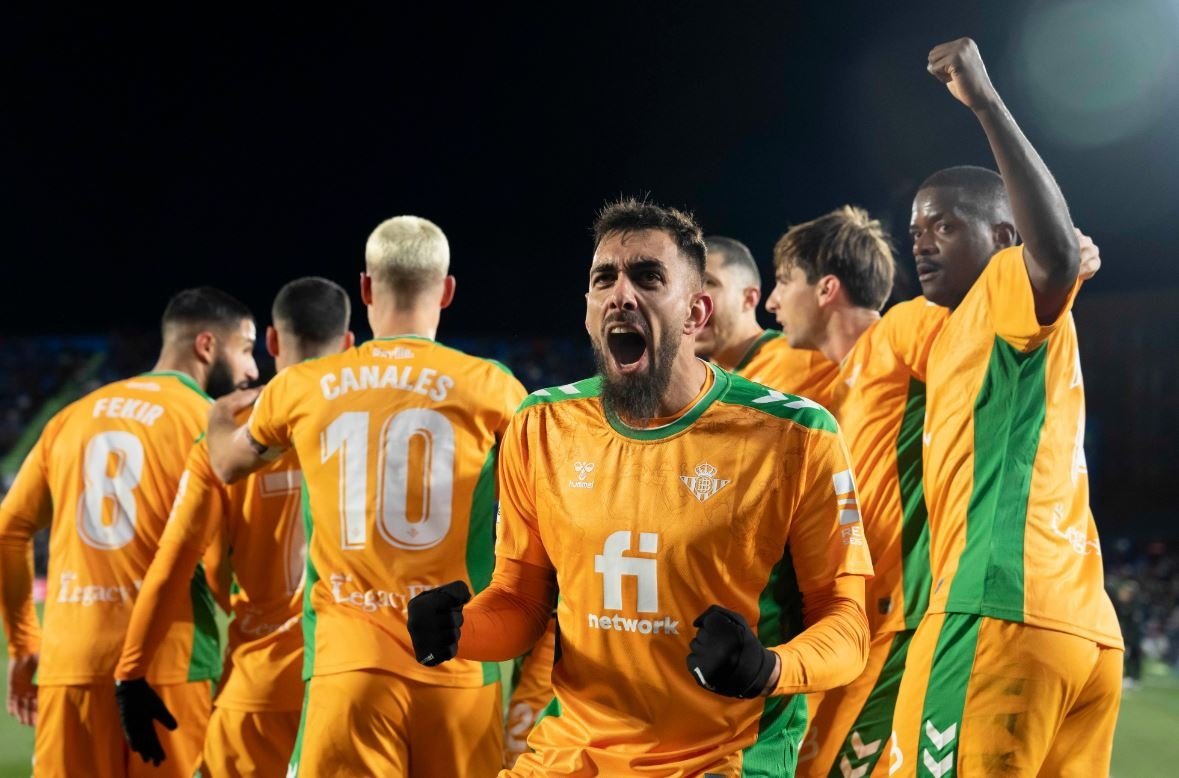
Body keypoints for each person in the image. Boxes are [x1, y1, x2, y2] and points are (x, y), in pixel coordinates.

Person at [407, 197, 873, 776]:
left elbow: (848, 625)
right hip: (572, 755)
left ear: (696, 312)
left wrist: (767, 668)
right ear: (587, 309)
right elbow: (521, 602)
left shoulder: (796, 434)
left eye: (648, 277)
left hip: (724, 760)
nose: (621, 294)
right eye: (604, 278)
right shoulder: (541, 424)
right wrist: (459, 631)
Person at [206, 216, 526, 777]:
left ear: (367, 288)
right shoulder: (494, 387)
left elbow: (227, 465)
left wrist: (215, 417)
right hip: (458, 669)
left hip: (348, 670)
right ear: (447, 290)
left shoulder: (301, 387)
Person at [889, 38, 1123, 777]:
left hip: (993, 609)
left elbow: (1050, 258)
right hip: (1080, 630)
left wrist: (984, 103)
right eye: (915, 230)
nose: (921, 244)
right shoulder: (950, 328)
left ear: (1000, 238)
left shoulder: (1005, 289)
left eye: (944, 226)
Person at [0, 287, 257, 777]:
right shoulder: (214, 425)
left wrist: (22, 645)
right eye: (245, 349)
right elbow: (226, 566)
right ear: (207, 345)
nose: (251, 371)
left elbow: (8, 530)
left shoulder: (70, 418)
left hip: (69, 668)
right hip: (169, 668)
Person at [114, 277, 353, 775]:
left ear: (271, 343)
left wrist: (131, 672)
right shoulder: (379, 421)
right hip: (352, 680)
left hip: (257, 690)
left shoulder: (227, 432)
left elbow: (174, 560)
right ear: (349, 343)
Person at [697, 235, 837, 399]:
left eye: (708, 282)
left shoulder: (810, 354)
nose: (691, 299)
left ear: (749, 298)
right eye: (686, 285)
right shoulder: (694, 388)